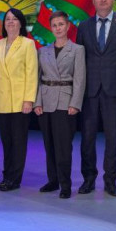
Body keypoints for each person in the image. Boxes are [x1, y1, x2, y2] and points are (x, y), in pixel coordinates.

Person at [75, 0, 116, 197]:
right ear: (93, 1)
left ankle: (110, 181)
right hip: (89, 91)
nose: (103, 0)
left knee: (113, 137)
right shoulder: (84, 26)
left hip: (115, 90)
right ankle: (88, 179)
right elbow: (79, 61)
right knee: (87, 137)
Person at [34, 11, 86, 199]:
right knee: (49, 145)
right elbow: (37, 78)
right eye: (54, 25)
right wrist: (37, 102)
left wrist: (75, 104)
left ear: (68, 26)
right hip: (46, 101)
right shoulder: (43, 51)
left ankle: (65, 184)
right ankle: (53, 180)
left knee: (63, 147)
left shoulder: (77, 50)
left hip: (65, 102)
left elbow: (80, 79)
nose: (58, 28)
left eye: (61, 24)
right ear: (51, 28)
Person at [0, 8, 38, 191]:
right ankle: (6, 176)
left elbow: (32, 73)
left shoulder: (28, 44)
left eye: (14, 19)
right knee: (7, 142)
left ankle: (14, 179)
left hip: (20, 101)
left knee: (18, 142)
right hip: (2, 100)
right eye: (7, 19)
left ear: (21, 23)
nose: (10, 22)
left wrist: (29, 100)